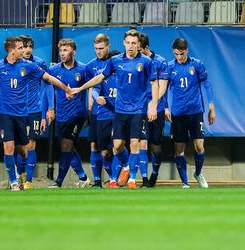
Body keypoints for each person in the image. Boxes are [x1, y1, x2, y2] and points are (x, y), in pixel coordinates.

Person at [0, 36, 73, 191]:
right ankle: (14, 182)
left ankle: (21, 172)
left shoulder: (28, 66)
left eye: (24, 47)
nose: (24, 51)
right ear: (11, 50)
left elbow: (48, 78)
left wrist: (66, 89)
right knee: (8, 147)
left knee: (24, 150)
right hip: (4, 114)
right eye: (20, 48)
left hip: (22, 115)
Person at [72, 29, 160, 189]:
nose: (131, 46)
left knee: (135, 143)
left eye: (134, 43)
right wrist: (81, 89)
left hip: (138, 110)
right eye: (128, 43)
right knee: (117, 146)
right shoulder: (115, 61)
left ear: (139, 45)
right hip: (120, 111)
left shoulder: (147, 62)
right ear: (124, 43)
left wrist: (153, 105)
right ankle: (126, 166)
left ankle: (132, 179)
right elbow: (100, 77)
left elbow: (154, 83)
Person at [160, 38, 214, 189]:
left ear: (187, 51)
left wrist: (211, 105)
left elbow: (206, 84)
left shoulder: (196, 64)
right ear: (173, 52)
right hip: (178, 114)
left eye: (182, 54)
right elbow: (163, 90)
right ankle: (185, 182)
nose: (180, 57)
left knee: (199, 146)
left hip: (196, 112)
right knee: (179, 148)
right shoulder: (169, 67)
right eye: (177, 54)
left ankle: (198, 173)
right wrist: (165, 107)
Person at [48, 39, 90, 188]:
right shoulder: (54, 70)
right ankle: (83, 177)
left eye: (65, 50)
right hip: (61, 115)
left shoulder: (84, 69)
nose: (62, 54)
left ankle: (58, 182)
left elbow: (92, 87)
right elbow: (49, 90)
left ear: (73, 51)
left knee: (66, 146)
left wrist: (89, 111)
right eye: (61, 51)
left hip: (77, 114)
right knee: (68, 148)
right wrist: (50, 108)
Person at [16, 35, 49, 189]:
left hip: (34, 110)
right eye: (24, 46)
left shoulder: (39, 63)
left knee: (31, 144)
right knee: (19, 146)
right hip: (16, 111)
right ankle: (19, 174)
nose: (27, 50)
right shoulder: (11, 63)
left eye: (30, 46)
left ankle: (28, 181)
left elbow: (48, 86)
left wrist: (48, 111)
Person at [139, 32, 168, 188]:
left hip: (157, 109)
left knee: (155, 146)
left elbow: (162, 87)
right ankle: (144, 180)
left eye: (140, 49)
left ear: (147, 47)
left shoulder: (161, 62)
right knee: (141, 143)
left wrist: (153, 104)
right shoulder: (135, 61)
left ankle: (154, 174)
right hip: (139, 109)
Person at [85, 34, 112, 188]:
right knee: (94, 145)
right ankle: (97, 181)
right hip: (96, 112)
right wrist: (90, 108)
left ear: (108, 47)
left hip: (114, 112)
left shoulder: (115, 62)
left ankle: (115, 177)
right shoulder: (90, 66)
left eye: (101, 48)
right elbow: (90, 88)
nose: (98, 51)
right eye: (96, 49)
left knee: (112, 148)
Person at [91, 49, 122, 188]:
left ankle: (115, 179)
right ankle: (112, 177)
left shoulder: (125, 75)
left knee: (117, 147)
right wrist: (97, 97)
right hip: (103, 115)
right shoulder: (102, 75)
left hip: (120, 115)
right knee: (104, 152)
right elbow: (95, 89)